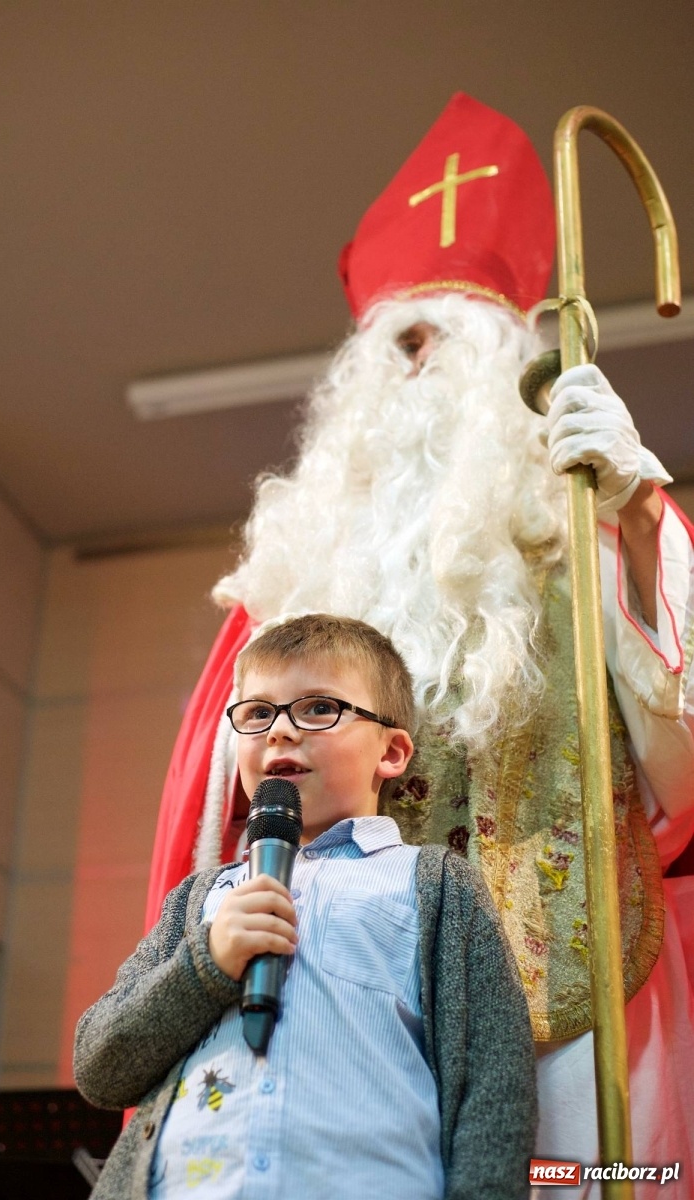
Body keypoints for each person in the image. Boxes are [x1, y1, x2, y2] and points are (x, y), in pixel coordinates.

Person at [143, 95, 694, 1197]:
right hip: (326, 1001)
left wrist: (638, 521)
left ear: (507, 362)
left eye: (443, 338)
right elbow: (211, 817)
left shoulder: (579, 519)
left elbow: (679, 777)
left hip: (563, 984)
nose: (414, 365)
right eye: (394, 342)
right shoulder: (291, 573)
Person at [74, 613, 537, 1200]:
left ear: (391, 752)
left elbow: (494, 1083)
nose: (280, 732)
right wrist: (205, 965)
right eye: (258, 713)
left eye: (319, 708)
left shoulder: (434, 883)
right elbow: (100, 1065)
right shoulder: (200, 900)